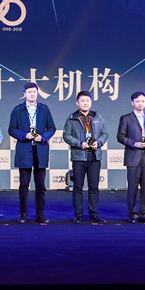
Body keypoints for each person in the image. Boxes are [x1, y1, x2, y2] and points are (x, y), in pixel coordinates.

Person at [8, 83, 56, 224]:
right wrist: (24, 135)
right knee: (24, 185)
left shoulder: (44, 109)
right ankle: (23, 214)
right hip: (24, 150)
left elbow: (52, 128)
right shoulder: (18, 110)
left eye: (34, 92)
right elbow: (11, 129)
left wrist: (43, 137)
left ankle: (40, 214)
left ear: (37, 93)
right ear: (24, 94)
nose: (32, 94)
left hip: (40, 150)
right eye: (29, 92)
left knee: (40, 185)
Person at [62, 91, 109, 224]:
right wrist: (79, 143)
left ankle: (94, 213)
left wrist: (98, 143)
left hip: (94, 156)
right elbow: (66, 135)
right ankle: (78, 214)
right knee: (77, 187)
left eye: (87, 101)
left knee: (94, 187)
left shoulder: (97, 116)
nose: (85, 103)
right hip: (79, 157)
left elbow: (105, 133)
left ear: (91, 102)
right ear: (77, 103)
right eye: (82, 101)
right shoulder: (72, 118)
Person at [116, 91, 145, 224]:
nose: (141, 104)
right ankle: (133, 214)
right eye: (138, 101)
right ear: (132, 102)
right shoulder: (126, 118)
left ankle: (144, 214)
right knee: (132, 188)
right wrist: (134, 143)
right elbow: (120, 137)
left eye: (143, 101)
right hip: (133, 156)